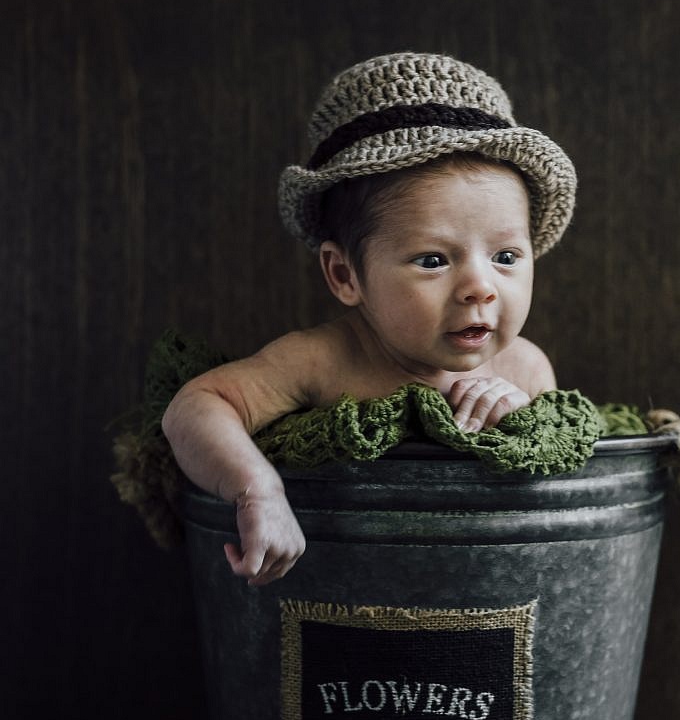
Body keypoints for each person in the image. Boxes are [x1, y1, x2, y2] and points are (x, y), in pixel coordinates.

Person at [162, 51, 577, 585]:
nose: (481, 286)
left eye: (506, 256)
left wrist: (520, 420)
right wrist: (257, 489)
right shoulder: (323, 360)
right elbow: (194, 407)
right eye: (433, 260)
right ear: (345, 275)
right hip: (343, 591)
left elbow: (550, 482)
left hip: (485, 591)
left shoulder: (524, 369)